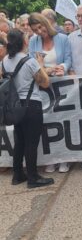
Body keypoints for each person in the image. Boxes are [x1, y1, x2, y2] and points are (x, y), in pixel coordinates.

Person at [0, 29, 54, 189]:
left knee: (20, 141)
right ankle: (33, 177)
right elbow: (45, 82)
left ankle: (18, 175)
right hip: (31, 105)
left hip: (14, 106)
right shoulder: (29, 61)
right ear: (24, 42)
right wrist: (42, 65)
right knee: (31, 142)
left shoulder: (4, 61)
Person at [28, 13, 72, 173]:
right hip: (42, 87)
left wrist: (63, 67)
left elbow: (68, 59)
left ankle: (65, 159)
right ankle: (51, 159)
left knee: (63, 122)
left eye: (40, 27)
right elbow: (32, 64)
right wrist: (47, 70)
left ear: (46, 23)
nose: (39, 31)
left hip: (62, 85)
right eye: (35, 30)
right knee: (47, 124)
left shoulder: (63, 39)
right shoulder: (33, 41)